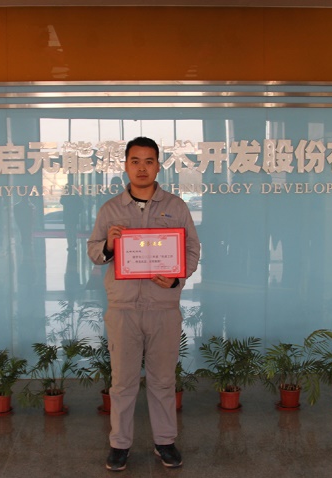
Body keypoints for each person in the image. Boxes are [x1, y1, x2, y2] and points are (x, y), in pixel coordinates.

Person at [87, 136, 201, 471]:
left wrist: (177, 278)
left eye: (149, 161)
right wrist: (109, 245)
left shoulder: (176, 206)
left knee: (163, 380)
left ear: (158, 166)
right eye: (135, 161)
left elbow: (192, 249)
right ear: (125, 165)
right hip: (123, 309)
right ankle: (119, 444)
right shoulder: (110, 209)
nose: (142, 168)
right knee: (122, 382)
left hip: (163, 307)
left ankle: (165, 441)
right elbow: (94, 252)